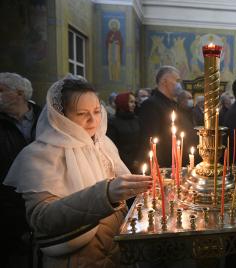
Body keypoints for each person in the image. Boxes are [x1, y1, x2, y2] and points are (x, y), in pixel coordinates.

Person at [4, 75, 152, 267]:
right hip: (73, 257)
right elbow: (42, 219)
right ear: (61, 115)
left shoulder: (103, 144)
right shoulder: (40, 155)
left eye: (97, 111)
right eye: (82, 114)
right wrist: (105, 194)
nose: (93, 120)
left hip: (115, 250)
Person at [0, 72, 42, 267]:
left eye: (1, 90)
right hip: (10, 199)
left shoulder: (45, 117)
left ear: (19, 93)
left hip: (45, 191)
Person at [137, 66, 182, 167]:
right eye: (177, 80)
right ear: (164, 81)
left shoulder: (173, 104)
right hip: (163, 165)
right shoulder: (151, 104)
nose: (179, 85)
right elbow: (150, 139)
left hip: (175, 161)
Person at [107, 92, 142, 173]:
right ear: (122, 102)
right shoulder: (112, 122)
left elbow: (142, 140)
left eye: (134, 102)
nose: (134, 105)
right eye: (131, 102)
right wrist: (130, 162)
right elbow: (112, 145)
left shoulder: (136, 119)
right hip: (122, 164)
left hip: (138, 162)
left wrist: (139, 159)